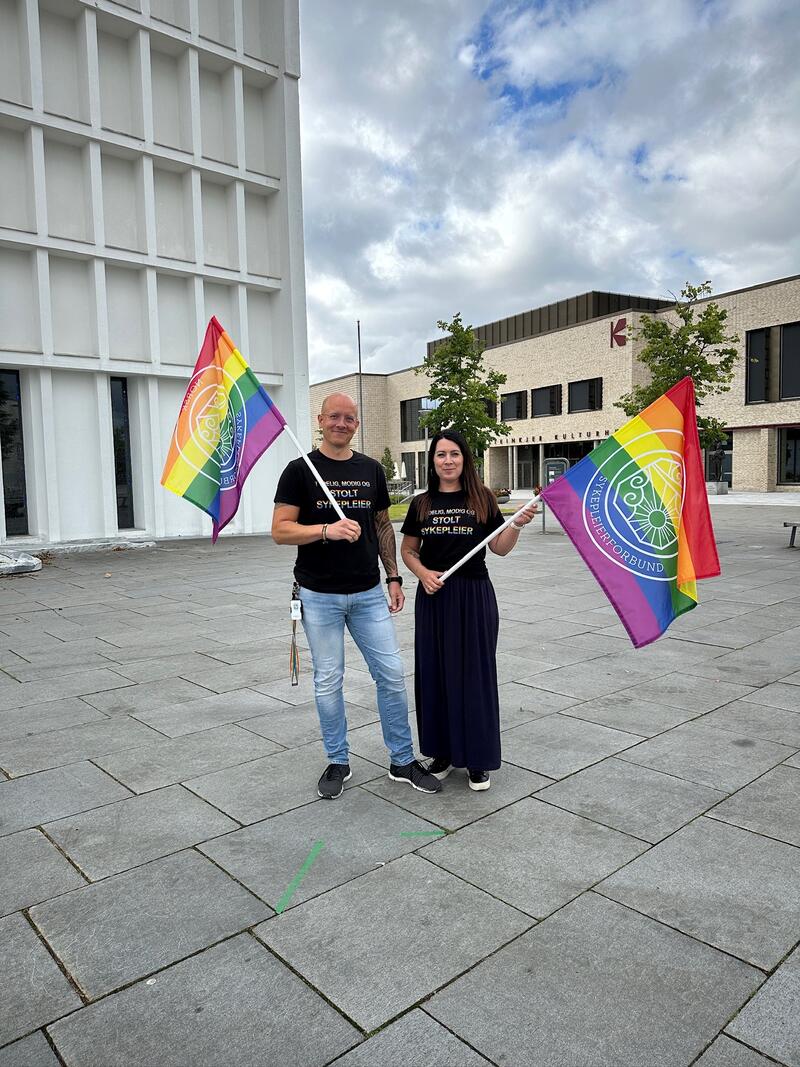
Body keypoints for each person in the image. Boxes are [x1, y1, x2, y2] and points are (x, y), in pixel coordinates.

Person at [271, 393, 442, 800]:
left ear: (356, 425)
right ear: (320, 420)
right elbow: (280, 529)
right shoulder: (299, 470)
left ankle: (402, 760)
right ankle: (338, 760)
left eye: (349, 418)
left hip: (368, 594)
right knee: (329, 681)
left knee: (391, 677)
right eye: (334, 417)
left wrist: (394, 577)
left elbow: (382, 525)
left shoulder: (370, 470)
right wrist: (325, 530)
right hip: (318, 595)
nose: (341, 423)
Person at [400, 429, 537, 791]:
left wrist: (518, 525)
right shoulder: (421, 503)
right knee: (436, 675)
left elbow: (500, 548)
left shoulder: (483, 499)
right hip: (434, 597)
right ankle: (442, 753)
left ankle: (477, 758)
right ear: (432, 462)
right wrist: (422, 573)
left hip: (474, 597)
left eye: (454, 454)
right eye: (441, 455)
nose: (448, 461)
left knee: (475, 675)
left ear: (465, 460)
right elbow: (409, 551)